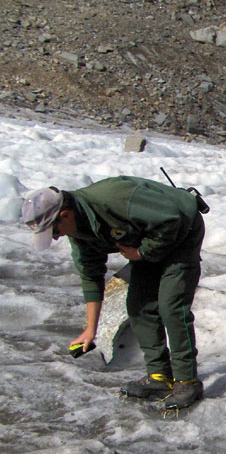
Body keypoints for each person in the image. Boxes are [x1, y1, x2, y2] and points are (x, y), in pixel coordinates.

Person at [21, 176, 207, 411]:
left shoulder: (114, 199)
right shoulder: (78, 232)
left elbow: (171, 220)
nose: (57, 237)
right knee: (139, 306)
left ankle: (187, 381)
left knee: (171, 306)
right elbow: (91, 277)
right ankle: (159, 377)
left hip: (181, 228)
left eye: (54, 231)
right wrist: (91, 329)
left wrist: (142, 252)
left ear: (65, 215)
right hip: (146, 237)